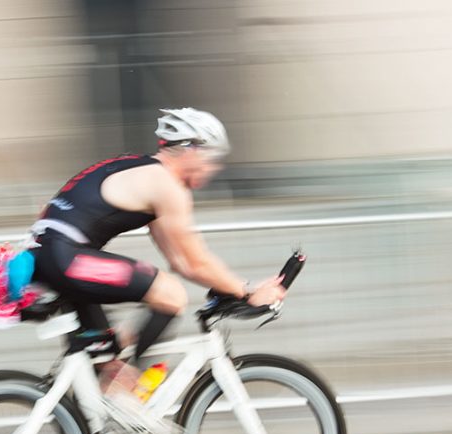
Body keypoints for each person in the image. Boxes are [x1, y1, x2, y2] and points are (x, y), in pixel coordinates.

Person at [30, 107, 286, 409]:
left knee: (116, 347)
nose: (214, 167)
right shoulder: (166, 185)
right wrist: (247, 291)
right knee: (171, 294)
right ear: (191, 149)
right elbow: (193, 262)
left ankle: (104, 413)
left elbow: (180, 259)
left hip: (49, 255)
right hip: (66, 258)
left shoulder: (139, 169)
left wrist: (230, 286)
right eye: (212, 158)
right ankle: (126, 391)